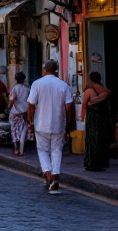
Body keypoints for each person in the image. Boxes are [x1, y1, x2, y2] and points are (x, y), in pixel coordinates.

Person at [26, 59, 75, 195]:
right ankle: (55, 174)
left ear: (44, 69)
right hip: (59, 123)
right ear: (56, 70)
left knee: (42, 150)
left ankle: (48, 174)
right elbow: (69, 106)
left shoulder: (37, 84)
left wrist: (30, 121)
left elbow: (31, 104)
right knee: (56, 150)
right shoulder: (63, 85)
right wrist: (69, 122)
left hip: (41, 123)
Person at [81, 71, 112, 171]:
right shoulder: (106, 90)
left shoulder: (89, 91)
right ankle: (101, 162)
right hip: (103, 118)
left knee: (92, 140)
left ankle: (92, 162)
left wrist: (82, 117)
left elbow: (84, 105)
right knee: (101, 139)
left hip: (92, 118)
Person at [9, 71, 31, 157]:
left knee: (14, 129)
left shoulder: (14, 88)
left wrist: (9, 107)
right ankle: (22, 150)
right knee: (23, 129)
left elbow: (12, 100)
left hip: (15, 112)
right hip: (25, 111)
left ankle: (16, 148)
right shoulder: (27, 89)